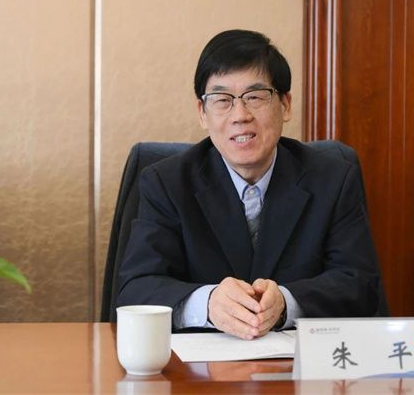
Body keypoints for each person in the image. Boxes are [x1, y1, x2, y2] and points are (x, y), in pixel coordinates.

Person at [117, 29, 381, 340]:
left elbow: (360, 285)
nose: (240, 115)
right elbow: (137, 288)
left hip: (298, 363)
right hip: (199, 367)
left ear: (285, 105)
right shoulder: (166, 183)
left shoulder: (333, 179)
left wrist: (286, 303)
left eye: (255, 97)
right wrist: (207, 303)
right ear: (202, 113)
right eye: (222, 100)